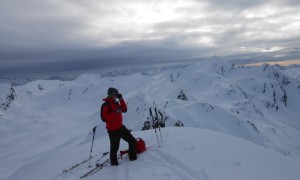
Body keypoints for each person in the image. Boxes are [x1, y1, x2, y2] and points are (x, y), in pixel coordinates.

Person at [101, 87, 137, 166]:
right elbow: (104, 118)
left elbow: (124, 109)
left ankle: (133, 158)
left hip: (120, 127)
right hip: (113, 131)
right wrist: (115, 113)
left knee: (132, 141)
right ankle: (114, 165)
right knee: (114, 148)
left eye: (116, 95)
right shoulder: (106, 105)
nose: (115, 97)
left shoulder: (116, 103)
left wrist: (121, 99)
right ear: (110, 95)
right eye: (114, 95)